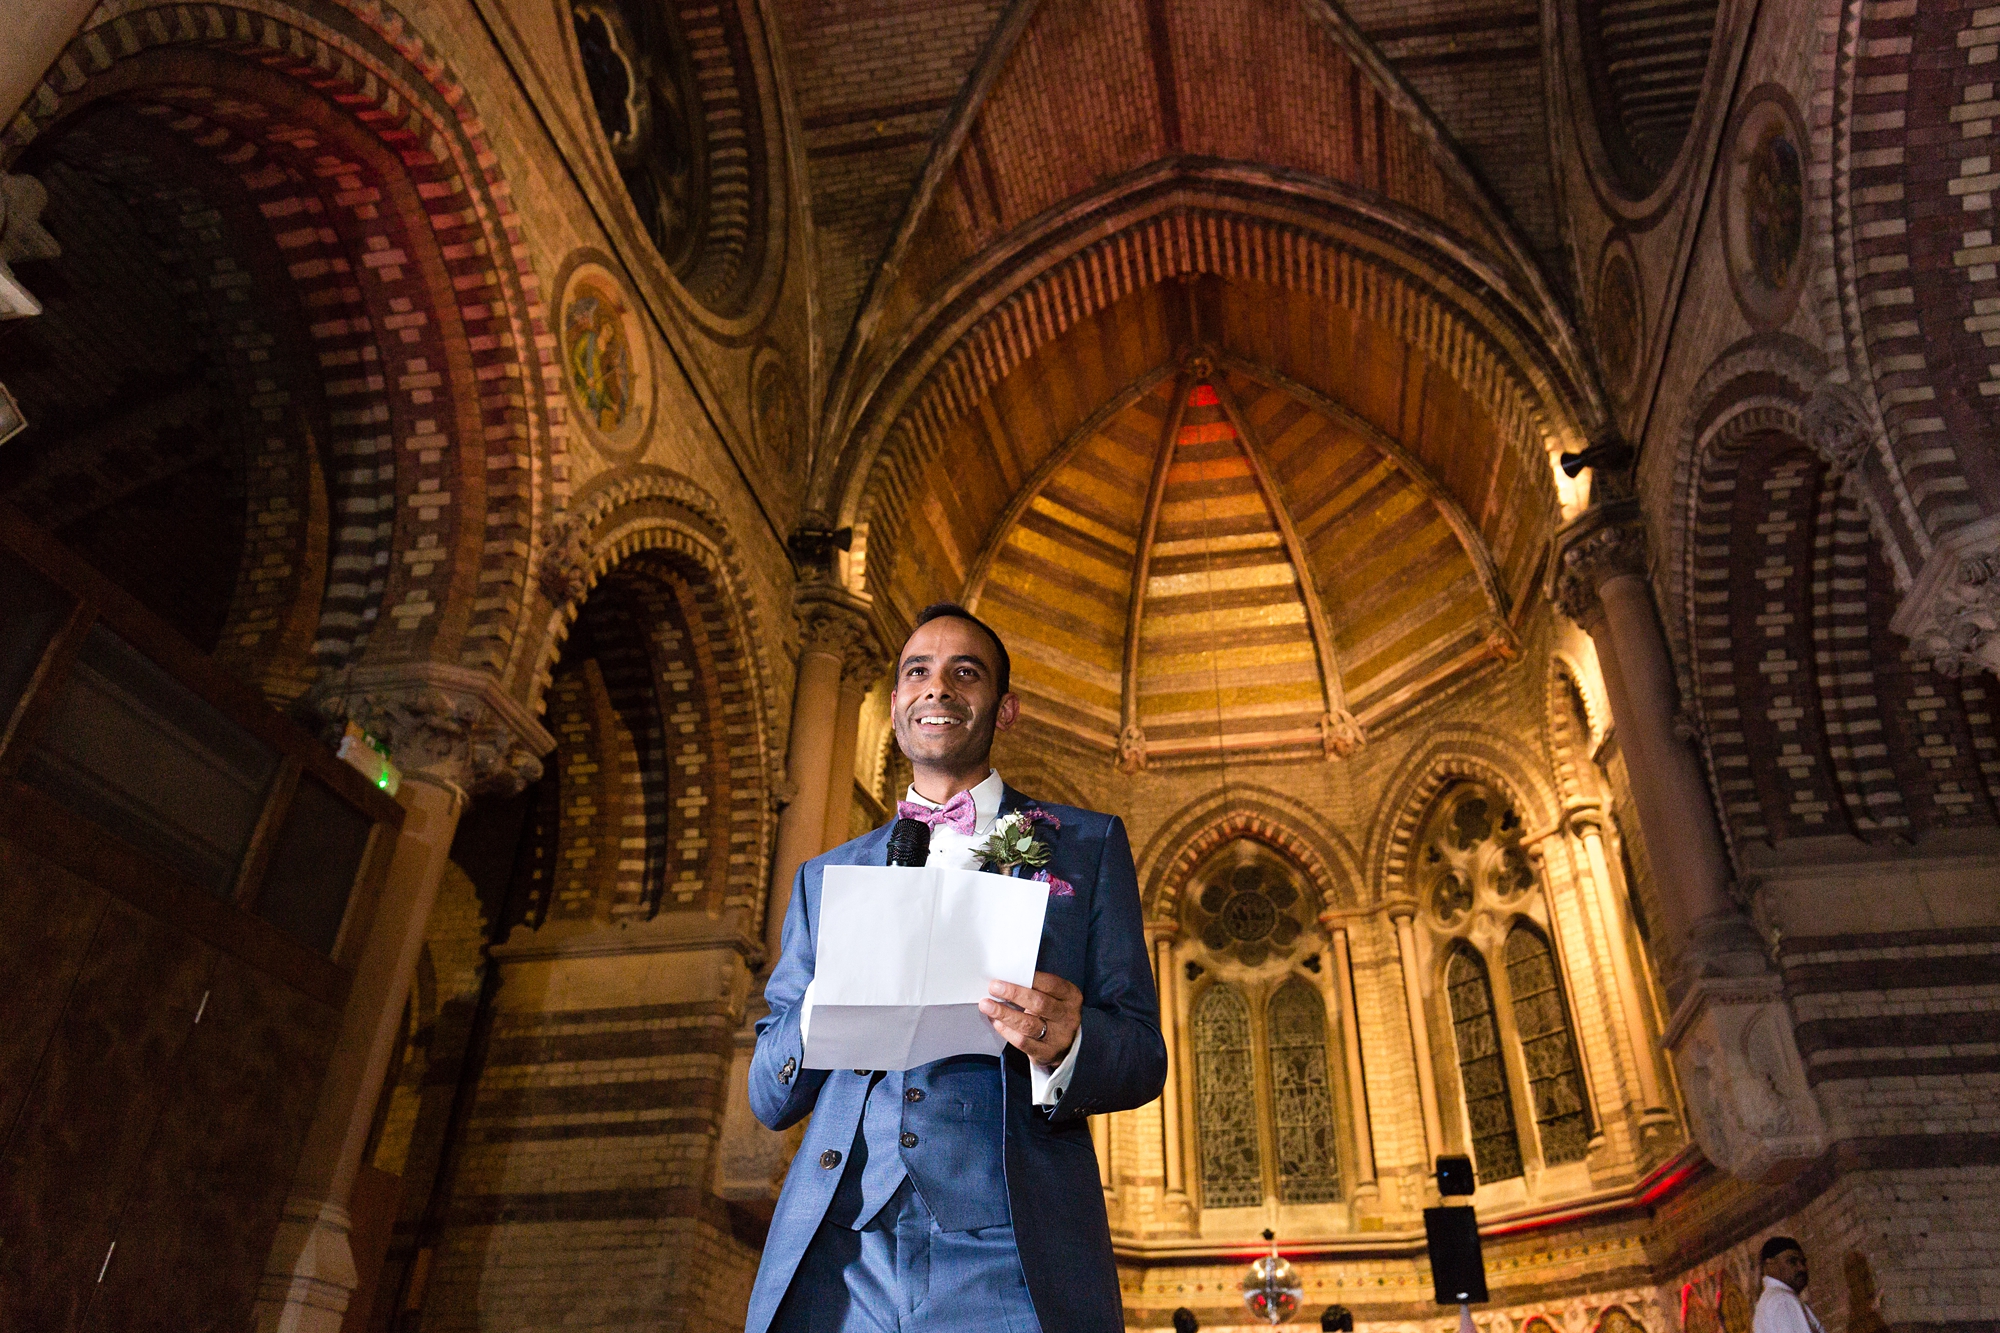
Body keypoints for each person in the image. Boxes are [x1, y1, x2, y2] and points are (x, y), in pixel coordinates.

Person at [745, 603, 1168, 1333]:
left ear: (1004, 709)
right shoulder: (827, 875)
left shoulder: (1087, 845)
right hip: (843, 1255)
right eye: (918, 671)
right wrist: (819, 1007)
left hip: (1009, 1247)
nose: (936, 687)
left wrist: (1070, 1042)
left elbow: (1141, 1057)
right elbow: (768, 1093)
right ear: (900, 702)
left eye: (963, 672)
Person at [1754, 1237, 1826, 1333]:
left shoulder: (1767, 1301)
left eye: (1803, 1262)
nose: (1802, 1268)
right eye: (1792, 1261)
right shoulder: (1783, 1299)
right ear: (1770, 1265)